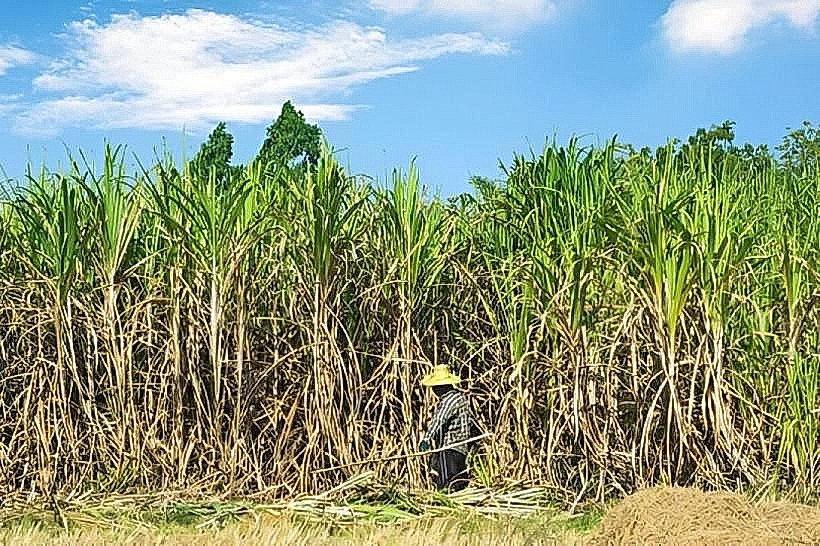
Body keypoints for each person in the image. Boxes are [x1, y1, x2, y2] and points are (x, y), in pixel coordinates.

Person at [418, 364, 476, 492]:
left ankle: (447, 502)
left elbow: (439, 419)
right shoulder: (461, 398)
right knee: (458, 480)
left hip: (449, 447)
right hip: (461, 448)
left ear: (441, 387)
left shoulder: (449, 401)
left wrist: (426, 439)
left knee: (447, 483)